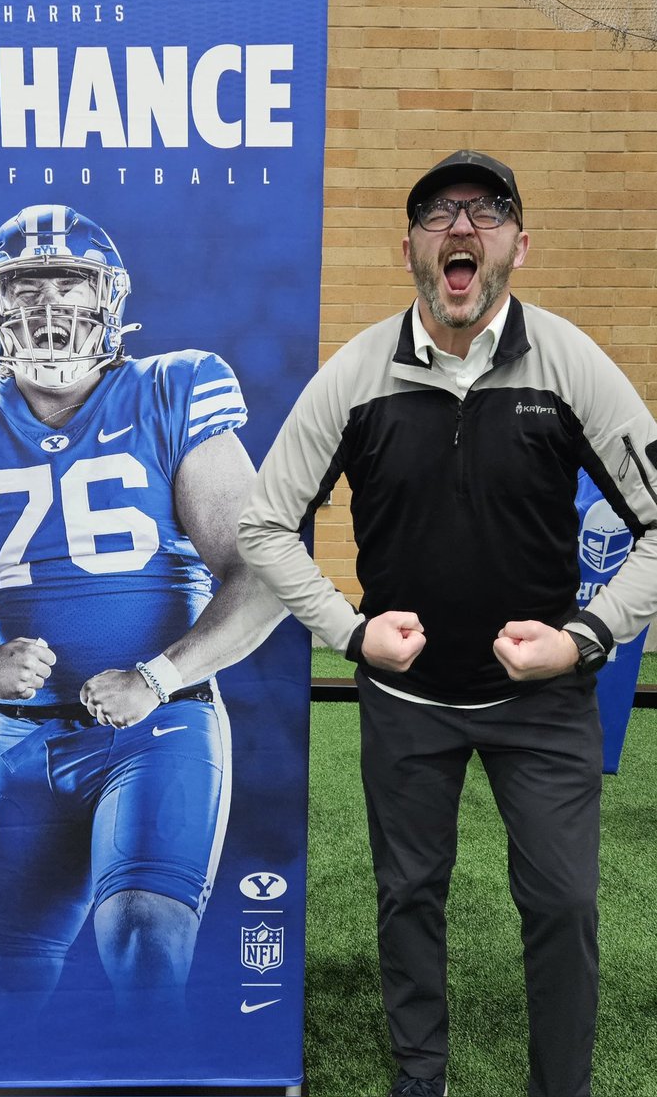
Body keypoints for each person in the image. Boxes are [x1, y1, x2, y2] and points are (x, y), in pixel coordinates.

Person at [237, 149, 657, 1097]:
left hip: (543, 702)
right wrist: (348, 633)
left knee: (563, 902)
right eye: (437, 215)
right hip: (406, 700)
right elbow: (263, 521)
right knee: (407, 895)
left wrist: (583, 638)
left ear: (519, 244)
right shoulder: (354, 374)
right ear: (410, 250)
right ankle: (417, 1080)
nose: (460, 228)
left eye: (486, 211)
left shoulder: (569, 362)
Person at [0, 203, 283, 1028]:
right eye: (25, 286)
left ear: (107, 299)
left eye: (69, 284)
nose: (48, 308)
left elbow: (261, 575)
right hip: (23, 739)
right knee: (1, 996)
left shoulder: (172, 387)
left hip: (161, 728)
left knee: (143, 939)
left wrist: (158, 676)